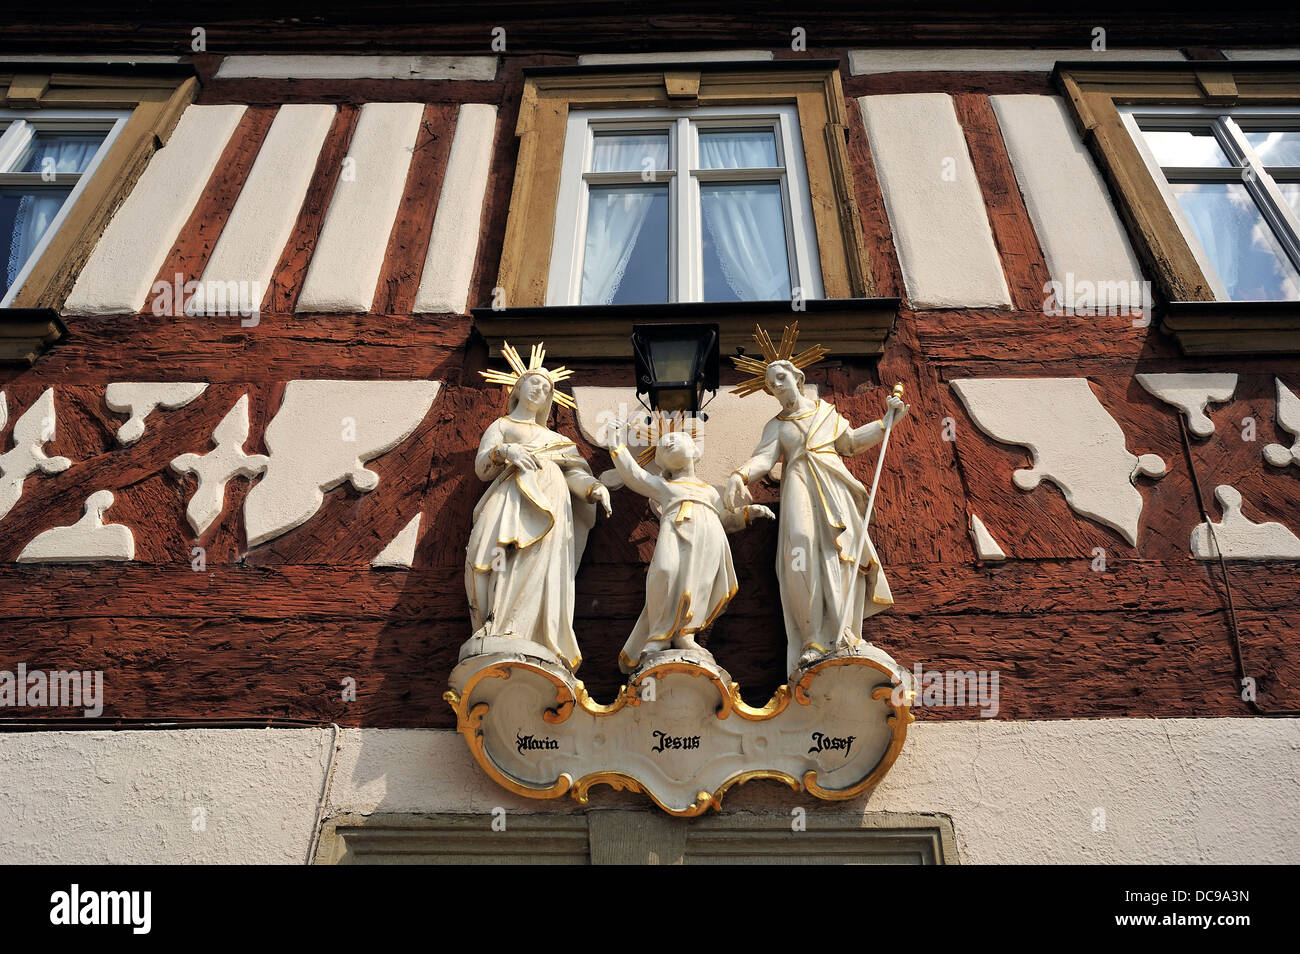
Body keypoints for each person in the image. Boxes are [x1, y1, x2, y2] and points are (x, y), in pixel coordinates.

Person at [726, 335, 907, 675]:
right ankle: (812, 639)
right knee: (802, 547)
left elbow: (850, 444)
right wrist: (739, 475)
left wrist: (886, 423)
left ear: (797, 377)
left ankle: (844, 632)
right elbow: (763, 461)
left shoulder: (826, 414)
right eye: (769, 384)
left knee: (839, 553)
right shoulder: (777, 426)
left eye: (780, 378)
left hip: (832, 481)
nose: (775, 386)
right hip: (798, 482)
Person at [466, 345, 612, 671]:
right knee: (497, 551)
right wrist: (506, 452)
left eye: (547, 388)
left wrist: (594, 488)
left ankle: (530, 633)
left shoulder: (556, 441)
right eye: (534, 382)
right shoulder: (502, 426)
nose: (540, 389)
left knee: (538, 563)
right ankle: (496, 623)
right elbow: (482, 468)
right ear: (518, 387)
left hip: (551, 503)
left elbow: (575, 473)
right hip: (510, 498)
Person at [607, 426, 773, 673]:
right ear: (662, 463)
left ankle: (686, 634)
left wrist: (748, 514)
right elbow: (634, 475)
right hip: (676, 532)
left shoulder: (708, 490)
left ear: (694, 451)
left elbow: (727, 519)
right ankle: (658, 637)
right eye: (663, 445)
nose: (668, 443)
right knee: (665, 571)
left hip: (709, 537)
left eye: (674, 439)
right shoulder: (663, 485)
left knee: (700, 583)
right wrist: (616, 444)